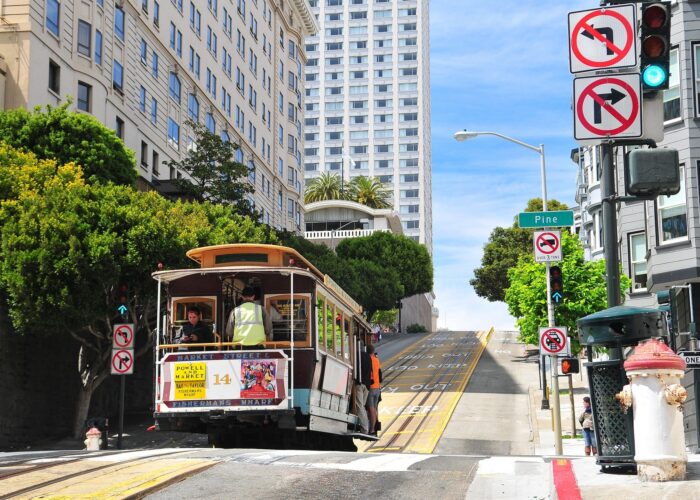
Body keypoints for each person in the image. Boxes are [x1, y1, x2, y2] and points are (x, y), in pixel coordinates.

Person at [353, 342, 372, 434]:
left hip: (360, 384)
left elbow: (355, 369)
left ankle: (365, 429)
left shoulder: (356, 356)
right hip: (367, 386)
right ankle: (362, 426)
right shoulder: (368, 357)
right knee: (362, 407)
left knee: (359, 406)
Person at [366, 344, 382, 436]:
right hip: (377, 388)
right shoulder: (377, 360)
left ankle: (371, 429)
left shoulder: (369, 360)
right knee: (374, 409)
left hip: (371, 388)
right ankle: (374, 428)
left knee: (371, 409)